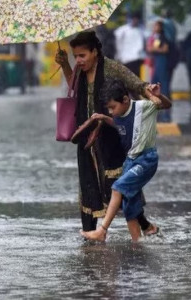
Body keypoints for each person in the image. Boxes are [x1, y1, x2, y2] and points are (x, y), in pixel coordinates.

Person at [55, 31, 165, 236]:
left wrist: (151, 92)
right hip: (86, 137)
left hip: (111, 136)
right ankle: (90, 234)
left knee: (118, 185)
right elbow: (75, 89)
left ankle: (142, 227)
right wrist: (64, 65)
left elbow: (136, 84)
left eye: (82, 56)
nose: (78, 60)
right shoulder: (79, 70)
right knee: (88, 184)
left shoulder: (112, 68)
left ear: (94, 52)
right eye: (75, 56)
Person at [80, 79, 171, 242]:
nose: (111, 111)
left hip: (146, 159)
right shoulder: (118, 114)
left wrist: (158, 96)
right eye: (108, 108)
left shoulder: (143, 107)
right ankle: (138, 242)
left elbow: (166, 105)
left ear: (125, 100)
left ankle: (102, 231)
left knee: (118, 188)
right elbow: (118, 125)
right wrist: (103, 117)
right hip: (130, 161)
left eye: (113, 107)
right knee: (129, 205)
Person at [147, 20, 171, 122]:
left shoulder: (163, 38)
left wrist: (154, 49)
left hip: (162, 62)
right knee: (154, 82)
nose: (154, 27)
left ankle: (165, 103)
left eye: (156, 26)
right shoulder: (154, 37)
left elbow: (165, 49)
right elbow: (149, 49)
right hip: (156, 62)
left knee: (163, 83)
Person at [114, 13, 146, 77]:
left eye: (136, 19)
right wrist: (118, 55)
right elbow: (117, 40)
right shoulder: (123, 30)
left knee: (136, 78)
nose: (135, 21)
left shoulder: (141, 30)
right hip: (126, 59)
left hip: (137, 58)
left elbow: (144, 43)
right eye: (134, 19)